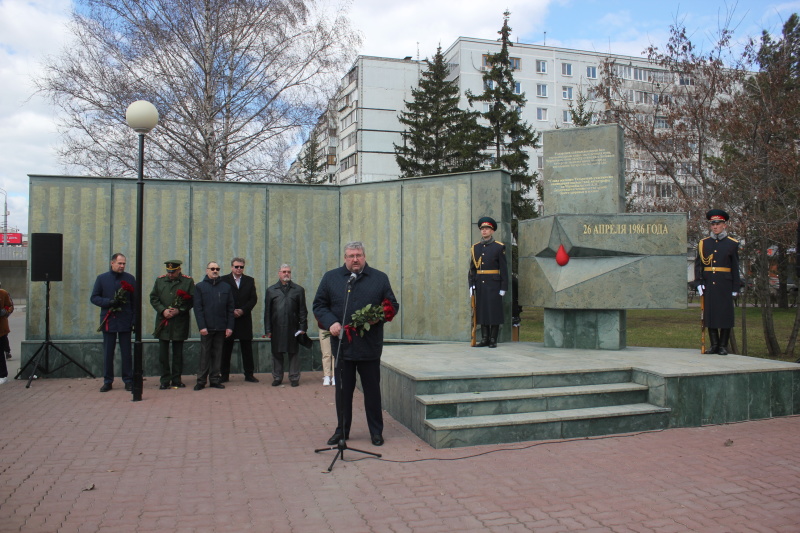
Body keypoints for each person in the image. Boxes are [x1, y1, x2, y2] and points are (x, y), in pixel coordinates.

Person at [313, 242, 399, 447]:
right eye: (351, 256)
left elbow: (392, 305)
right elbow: (319, 304)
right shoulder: (331, 278)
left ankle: (376, 432)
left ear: (364, 256)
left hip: (369, 347)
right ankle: (342, 431)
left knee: (372, 393)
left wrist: (379, 317)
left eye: (359, 255)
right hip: (343, 347)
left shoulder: (379, 278)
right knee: (343, 393)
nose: (355, 259)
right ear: (345, 258)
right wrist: (331, 322)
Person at [694, 209, 742, 355]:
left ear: (724, 225)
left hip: (724, 284)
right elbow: (699, 265)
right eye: (712, 224)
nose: (715, 226)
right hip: (709, 283)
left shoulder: (732, 244)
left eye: (718, 223)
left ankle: (723, 345)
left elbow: (735, 266)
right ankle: (714, 345)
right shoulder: (704, 244)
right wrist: (699, 282)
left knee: (725, 315)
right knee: (710, 314)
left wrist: (735, 287)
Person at [90, 253, 135, 392]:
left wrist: (134, 320)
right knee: (108, 352)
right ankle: (108, 381)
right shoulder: (102, 279)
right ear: (112, 263)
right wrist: (108, 302)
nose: (122, 266)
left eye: (124, 264)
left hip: (125, 321)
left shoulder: (130, 278)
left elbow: (134, 302)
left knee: (126, 353)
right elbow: (94, 297)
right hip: (108, 320)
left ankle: (128, 380)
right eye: (119, 263)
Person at [149, 260, 194, 389]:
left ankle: (176, 379)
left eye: (173, 272)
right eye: (168, 271)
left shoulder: (187, 282)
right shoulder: (160, 281)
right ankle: (164, 379)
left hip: (179, 322)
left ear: (179, 270)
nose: (170, 274)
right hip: (163, 322)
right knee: (163, 354)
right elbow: (153, 298)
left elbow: (192, 300)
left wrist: (179, 310)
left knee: (178, 354)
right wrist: (163, 310)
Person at [264, 264, 308, 387]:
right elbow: (267, 311)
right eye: (284, 271)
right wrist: (268, 329)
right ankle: (277, 377)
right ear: (279, 273)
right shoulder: (271, 290)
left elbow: (303, 311)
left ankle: (294, 377)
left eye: (288, 271)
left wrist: (303, 327)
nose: (286, 274)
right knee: (276, 352)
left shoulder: (298, 290)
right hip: (276, 327)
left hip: (293, 327)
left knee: (293, 352)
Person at [193, 261, 234, 390]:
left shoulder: (226, 287)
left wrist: (229, 327)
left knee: (218, 354)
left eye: (217, 268)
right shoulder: (200, 287)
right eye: (212, 269)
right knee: (204, 355)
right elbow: (198, 309)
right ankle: (201, 381)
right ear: (207, 270)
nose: (215, 271)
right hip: (207, 327)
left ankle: (215, 379)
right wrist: (201, 326)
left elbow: (230, 308)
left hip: (221, 327)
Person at [469, 216, 508, 348]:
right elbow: (472, 269)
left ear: (492, 231)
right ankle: (484, 338)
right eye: (482, 229)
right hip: (480, 284)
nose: (484, 231)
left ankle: (493, 339)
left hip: (494, 284)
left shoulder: (499, 247)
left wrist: (503, 287)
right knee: (482, 311)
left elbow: (503, 269)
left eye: (487, 229)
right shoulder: (475, 248)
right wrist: (471, 284)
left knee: (494, 311)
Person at [220, 257, 259, 383]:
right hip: (228, 319)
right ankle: (224, 375)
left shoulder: (249, 280)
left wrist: (242, 310)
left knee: (247, 348)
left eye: (241, 267)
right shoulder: (223, 280)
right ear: (232, 267)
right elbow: (220, 298)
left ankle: (249, 374)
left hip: (244, 318)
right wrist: (231, 311)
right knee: (226, 348)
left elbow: (253, 299)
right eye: (236, 266)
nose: (239, 269)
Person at [0, 283, 13, 385]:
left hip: (1, 329)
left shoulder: (3, 293)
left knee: (0, 353)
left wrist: (5, 312)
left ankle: (3, 375)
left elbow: (10, 306)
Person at [318, 321, 334, 386]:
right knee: (326, 353)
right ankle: (326, 376)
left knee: (335, 354)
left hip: (337, 327)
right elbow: (317, 311)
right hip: (323, 327)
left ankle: (335, 376)